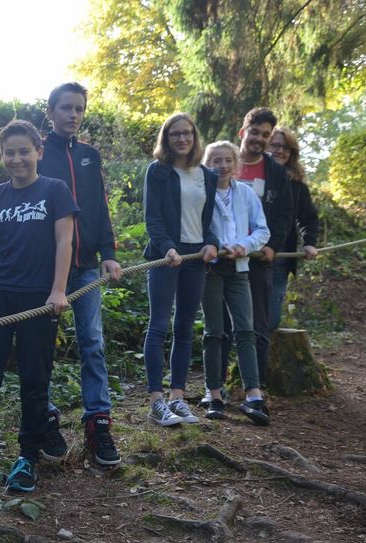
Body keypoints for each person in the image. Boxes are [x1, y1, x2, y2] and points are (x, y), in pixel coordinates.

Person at [0, 119, 78, 492]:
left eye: (24, 151)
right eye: (10, 152)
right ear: (2, 155)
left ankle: (28, 456)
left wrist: (58, 290)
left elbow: (64, 243)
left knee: (34, 379)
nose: (17, 159)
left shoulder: (55, 191)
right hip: (0, 296)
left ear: (39, 151)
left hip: (40, 299)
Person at [38, 82, 123, 467]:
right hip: (45, 270)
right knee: (41, 348)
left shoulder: (89, 155)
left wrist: (109, 254)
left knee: (92, 342)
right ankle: (45, 416)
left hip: (86, 267)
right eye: (66, 108)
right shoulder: (38, 152)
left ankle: (98, 423)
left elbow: (99, 206)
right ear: (51, 111)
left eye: (79, 109)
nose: (73, 115)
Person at [142, 113, 219, 426]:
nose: (182, 139)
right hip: (166, 255)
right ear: (167, 138)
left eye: (187, 133)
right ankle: (156, 401)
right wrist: (167, 246)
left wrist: (211, 242)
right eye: (175, 134)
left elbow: (208, 220)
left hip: (195, 258)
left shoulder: (207, 175)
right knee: (159, 325)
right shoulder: (158, 171)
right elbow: (153, 217)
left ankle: (178, 397)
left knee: (185, 326)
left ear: (195, 136)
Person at [201, 141, 271, 424]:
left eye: (227, 160)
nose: (222, 166)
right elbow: (196, 227)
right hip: (211, 270)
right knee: (215, 331)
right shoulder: (202, 194)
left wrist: (244, 244)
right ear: (207, 165)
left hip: (239, 268)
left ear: (236, 163)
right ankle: (214, 393)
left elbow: (262, 229)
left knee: (246, 329)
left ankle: (253, 394)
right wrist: (213, 245)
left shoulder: (246, 194)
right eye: (216, 160)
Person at [227, 108, 295, 388]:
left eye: (266, 135)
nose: (259, 138)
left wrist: (273, 246)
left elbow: (285, 214)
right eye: (255, 132)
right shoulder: (223, 161)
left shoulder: (276, 173)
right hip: (221, 257)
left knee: (259, 325)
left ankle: (257, 388)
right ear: (243, 132)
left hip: (257, 257)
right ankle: (216, 389)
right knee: (219, 327)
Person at [267, 127, 319, 330]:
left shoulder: (297, 186)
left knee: (270, 319)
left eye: (286, 148)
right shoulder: (251, 177)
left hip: (280, 257)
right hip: (246, 255)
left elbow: (308, 218)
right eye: (276, 145)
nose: (280, 151)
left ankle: (263, 361)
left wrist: (309, 243)